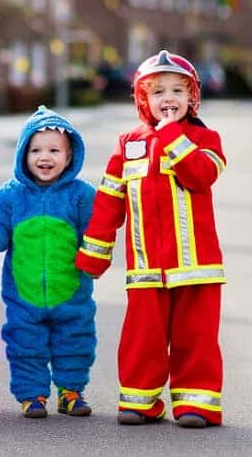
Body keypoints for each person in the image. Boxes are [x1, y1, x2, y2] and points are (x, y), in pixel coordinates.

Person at [75, 50, 227, 428]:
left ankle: (197, 404)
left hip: (197, 268)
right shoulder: (127, 144)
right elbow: (109, 201)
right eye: (158, 92)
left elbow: (200, 176)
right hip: (146, 268)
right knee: (143, 338)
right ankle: (140, 401)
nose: (169, 98)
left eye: (178, 90)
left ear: (193, 97)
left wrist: (172, 135)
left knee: (196, 337)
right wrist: (95, 253)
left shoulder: (206, 138)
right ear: (143, 99)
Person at [0, 106, 97, 419]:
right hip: (23, 296)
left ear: (69, 157)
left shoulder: (81, 196)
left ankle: (71, 393)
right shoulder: (9, 197)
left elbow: (95, 234)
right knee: (26, 345)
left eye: (55, 150)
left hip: (71, 292)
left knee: (75, 342)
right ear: (23, 155)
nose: (45, 157)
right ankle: (32, 395)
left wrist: (97, 254)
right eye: (36, 150)